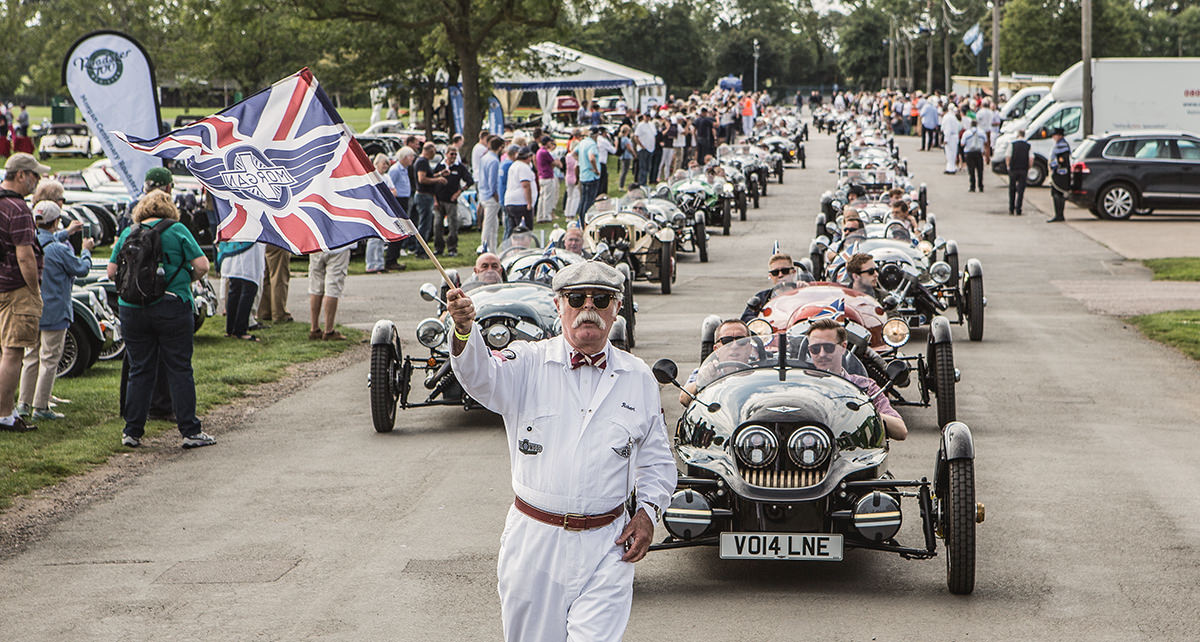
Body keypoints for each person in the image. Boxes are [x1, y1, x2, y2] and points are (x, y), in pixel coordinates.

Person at [446, 260, 675, 642]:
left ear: (617, 308)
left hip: (608, 545)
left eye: (601, 299)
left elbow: (657, 461)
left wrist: (648, 513)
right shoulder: (527, 362)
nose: (589, 308)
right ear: (558, 305)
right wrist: (464, 330)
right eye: (577, 298)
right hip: (535, 543)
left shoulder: (639, 377)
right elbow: (480, 377)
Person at [107, 191, 213, 448]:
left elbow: (112, 272)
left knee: (139, 369)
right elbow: (202, 265)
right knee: (179, 367)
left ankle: (132, 431)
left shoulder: (129, 233)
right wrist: (185, 279)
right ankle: (190, 430)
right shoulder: (177, 230)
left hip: (132, 308)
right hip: (172, 304)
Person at [15, 201, 92, 420]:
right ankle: (41, 406)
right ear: (56, 221)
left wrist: (67, 233)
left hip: (31, 308)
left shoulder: (29, 244)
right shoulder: (59, 250)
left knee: (30, 358)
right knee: (49, 359)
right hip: (55, 311)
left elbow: (47, 239)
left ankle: (23, 403)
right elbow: (81, 269)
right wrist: (86, 251)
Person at [0, 154, 51, 433]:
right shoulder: (17, 208)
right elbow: (25, 256)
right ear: (21, 175)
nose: (37, 181)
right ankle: (4, 414)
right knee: (13, 352)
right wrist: (35, 290)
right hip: (15, 288)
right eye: (34, 175)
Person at [805, 319, 907, 440]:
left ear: (843, 347)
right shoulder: (800, 386)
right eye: (815, 349)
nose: (821, 354)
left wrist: (864, 413)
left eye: (828, 347)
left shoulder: (864, 386)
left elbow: (900, 431)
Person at [679, 319, 750, 406]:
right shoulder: (706, 371)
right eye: (727, 341)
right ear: (716, 349)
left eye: (741, 340)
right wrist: (703, 381)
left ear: (750, 347)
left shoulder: (761, 371)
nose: (734, 345)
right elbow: (683, 398)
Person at [218, 238, 265, 341]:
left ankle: (231, 329)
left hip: (234, 246)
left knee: (235, 289)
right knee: (248, 290)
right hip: (249, 249)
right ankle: (240, 330)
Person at [433, 146, 473, 257]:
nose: (453, 157)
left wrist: (459, 192)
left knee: (452, 225)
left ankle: (452, 248)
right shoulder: (440, 166)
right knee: (437, 225)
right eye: (451, 154)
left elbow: (469, 181)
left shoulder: (459, 167)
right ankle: (438, 248)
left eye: (455, 154)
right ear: (446, 154)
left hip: (451, 200)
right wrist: (435, 199)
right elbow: (432, 181)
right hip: (439, 199)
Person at [307, 245, 351, 341]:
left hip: (316, 244)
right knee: (332, 286)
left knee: (316, 285)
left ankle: (314, 328)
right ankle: (328, 330)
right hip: (339, 245)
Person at [741, 253, 801, 322]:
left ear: (793, 272)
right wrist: (762, 320)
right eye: (775, 272)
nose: (780, 275)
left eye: (785, 271)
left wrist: (807, 288)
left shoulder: (803, 292)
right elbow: (746, 320)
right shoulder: (762, 297)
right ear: (770, 276)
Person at [383, 146, 415, 268]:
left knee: (403, 229)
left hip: (405, 200)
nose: (412, 159)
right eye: (411, 156)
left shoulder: (405, 169)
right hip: (398, 201)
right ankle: (391, 259)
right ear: (404, 157)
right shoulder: (395, 170)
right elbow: (390, 186)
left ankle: (394, 258)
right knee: (399, 228)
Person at [365, 154, 394, 273]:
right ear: (376, 164)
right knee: (373, 239)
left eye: (387, 164)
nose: (385, 166)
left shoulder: (386, 177)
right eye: (383, 163)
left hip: (384, 210)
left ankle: (380, 264)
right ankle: (371, 264)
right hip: (374, 210)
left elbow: (394, 191)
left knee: (382, 238)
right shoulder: (372, 176)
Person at [412, 142, 443, 250]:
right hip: (424, 196)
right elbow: (422, 179)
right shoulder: (422, 162)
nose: (434, 154)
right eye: (434, 152)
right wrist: (437, 180)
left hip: (424, 196)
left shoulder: (422, 161)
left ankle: (422, 248)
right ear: (429, 151)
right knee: (424, 223)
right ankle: (421, 249)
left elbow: (428, 175)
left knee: (425, 222)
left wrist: (439, 174)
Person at [477, 136, 504, 253]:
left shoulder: (484, 158)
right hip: (490, 196)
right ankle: (484, 247)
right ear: (500, 147)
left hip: (483, 193)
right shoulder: (494, 161)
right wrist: (496, 195)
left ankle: (493, 249)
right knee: (488, 225)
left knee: (493, 224)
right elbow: (492, 180)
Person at [504, 146, 538, 235]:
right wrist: (529, 203)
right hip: (521, 202)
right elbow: (525, 185)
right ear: (528, 157)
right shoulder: (523, 167)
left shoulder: (514, 165)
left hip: (511, 201)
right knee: (524, 232)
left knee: (513, 230)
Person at [574, 129, 601, 224]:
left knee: (583, 200)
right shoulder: (592, 144)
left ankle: (580, 219)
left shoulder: (582, 143)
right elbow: (591, 158)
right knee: (589, 201)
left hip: (583, 175)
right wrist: (596, 170)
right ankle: (586, 222)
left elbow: (573, 153)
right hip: (591, 176)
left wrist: (581, 162)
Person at [1005, 129, 1033, 216]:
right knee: (1021, 190)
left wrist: (1008, 166)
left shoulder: (1012, 144)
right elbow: (1031, 159)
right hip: (1023, 169)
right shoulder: (1028, 145)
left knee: (1012, 189)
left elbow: (1008, 156)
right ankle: (1018, 208)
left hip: (1013, 169)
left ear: (1017, 135)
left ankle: (1011, 208)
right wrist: (1028, 167)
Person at [534, 136, 559, 224]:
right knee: (548, 197)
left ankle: (540, 216)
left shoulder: (539, 151)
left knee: (542, 197)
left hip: (542, 176)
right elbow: (554, 162)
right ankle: (546, 216)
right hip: (547, 176)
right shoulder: (545, 152)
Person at [1048, 128, 1070, 223]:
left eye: (1055, 135)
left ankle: (1059, 215)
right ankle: (1059, 214)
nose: (1053, 137)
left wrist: (1053, 165)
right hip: (1059, 173)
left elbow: (1062, 160)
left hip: (1061, 174)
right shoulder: (1060, 144)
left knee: (1057, 193)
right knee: (1056, 193)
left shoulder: (1062, 146)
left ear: (1060, 136)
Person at [961, 119, 986, 192]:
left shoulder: (966, 133)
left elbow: (962, 143)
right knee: (980, 170)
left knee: (971, 170)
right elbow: (985, 141)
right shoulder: (981, 132)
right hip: (978, 152)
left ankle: (972, 186)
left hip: (969, 153)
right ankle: (980, 186)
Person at [633, 114, 656, 185]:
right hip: (643, 149)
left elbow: (654, 135)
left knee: (648, 167)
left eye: (648, 117)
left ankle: (645, 181)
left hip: (650, 148)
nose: (647, 118)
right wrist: (641, 146)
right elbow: (636, 137)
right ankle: (642, 182)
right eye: (646, 116)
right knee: (643, 167)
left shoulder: (651, 124)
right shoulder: (640, 125)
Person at [941, 106, 961, 174]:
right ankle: (951, 167)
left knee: (949, 153)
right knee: (953, 153)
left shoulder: (947, 117)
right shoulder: (953, 117)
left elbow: (947, 129)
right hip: (954, 136)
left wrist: (946, 139)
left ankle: (950, 169)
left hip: (950, 137)